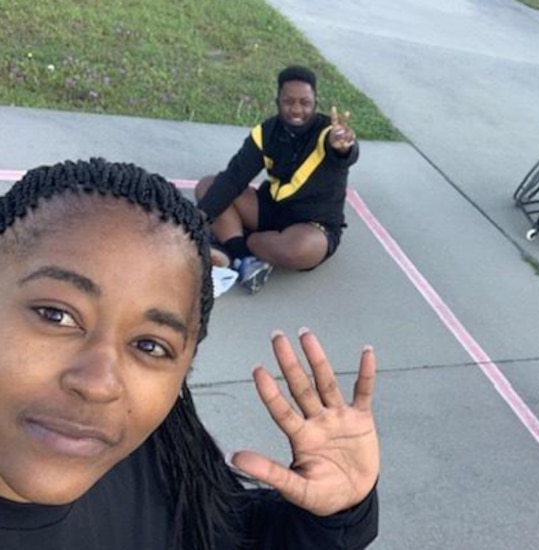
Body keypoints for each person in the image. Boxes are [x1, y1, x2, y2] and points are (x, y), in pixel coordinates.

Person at [0, 158, 379, 549]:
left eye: (150, 346)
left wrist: (331, 517)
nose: (98, 384)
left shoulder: (159, 453)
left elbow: (220, 533)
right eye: (56, 315)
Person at [196, 65, 359, 294]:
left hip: (313, 225)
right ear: (277, 101)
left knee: (297, 250)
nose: (296, 109)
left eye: (305, 102)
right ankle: (244, 260)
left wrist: (344, 147)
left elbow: (345, 155)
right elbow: (234, 178)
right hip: (270, 209)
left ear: (315, 103)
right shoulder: (265, 133)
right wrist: (197, 219)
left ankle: (243, 241)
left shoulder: (328, 134)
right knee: (208, 186)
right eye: (288, 101)